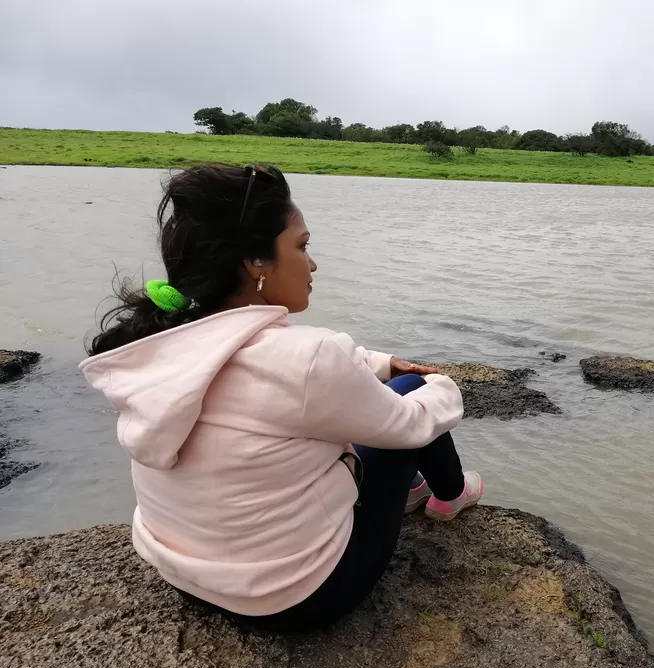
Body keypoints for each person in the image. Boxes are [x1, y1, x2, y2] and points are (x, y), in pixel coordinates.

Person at [80, 163, 482, 633]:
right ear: (256, 262)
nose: (312, 263)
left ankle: (412, 485)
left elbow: (274, 366)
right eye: (302, 246)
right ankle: (449, 497)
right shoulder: (308, 358)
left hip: (179, 571)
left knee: (379, 401)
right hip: (295, 599)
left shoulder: (160, 344)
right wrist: (443, 384)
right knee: (413, 395)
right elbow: (407, 421)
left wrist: (377, 361)